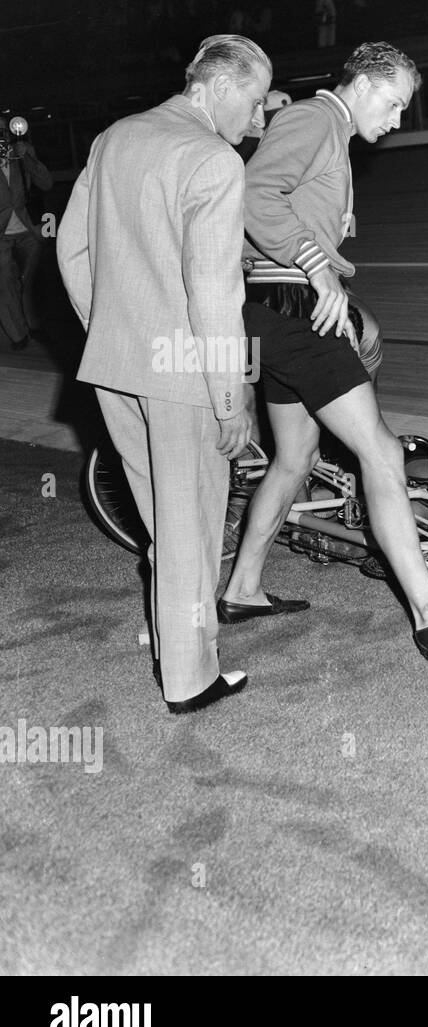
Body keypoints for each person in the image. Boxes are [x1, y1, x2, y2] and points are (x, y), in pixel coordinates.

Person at [224, 41, 428, 660]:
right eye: (396, 104)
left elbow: (297, 221)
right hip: (295, 312)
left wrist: (342, 293)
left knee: (294, 457)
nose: (398, 121)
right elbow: (253, 196)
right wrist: (320, 271)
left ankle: (241, 589)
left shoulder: (329, 132)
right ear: (365, 83)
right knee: (380, 452)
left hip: (275, 313)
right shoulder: (315, 119)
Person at [57, 35, 270, 714]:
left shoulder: (116, 137)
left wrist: (110, 327)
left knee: (163, 520)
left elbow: (71, 248)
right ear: (216, 87)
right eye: (255, 100)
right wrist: (229, 394)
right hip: (181, 371)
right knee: (193, 527)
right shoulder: (211, 158)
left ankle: (170, 629)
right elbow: (213, 290)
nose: (258, 118)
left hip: (117, 363)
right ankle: (189, 677)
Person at [0, 125, 52, 350]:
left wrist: (28, 157)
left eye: (2, 129)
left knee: (33, 281)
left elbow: (46, 183)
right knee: (4, 283)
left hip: (29, 227)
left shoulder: (21, 152)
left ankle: (35, 325)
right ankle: (17, 333)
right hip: (0, 234)